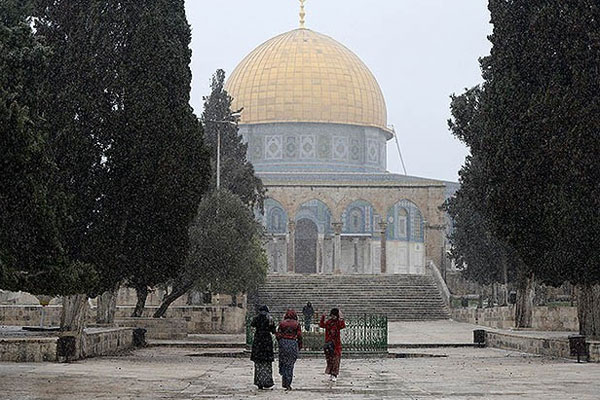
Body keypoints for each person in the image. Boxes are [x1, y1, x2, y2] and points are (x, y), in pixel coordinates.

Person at [250, 305, 276, 389]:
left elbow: (252, 326)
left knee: (258, 363)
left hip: (258, 341)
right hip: (266, 341)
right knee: (267, 363)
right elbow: (273, 330)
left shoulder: (256, 318)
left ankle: (259, 382)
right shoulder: (269, 319)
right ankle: (267, 381)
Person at [276, 309, 302, 391]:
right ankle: (288, 383)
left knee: (284, 362)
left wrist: (280, 341)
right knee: (290, 364)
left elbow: (278, 334)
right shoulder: (296, 324)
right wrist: (299, 345)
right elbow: (299, 335)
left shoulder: (282, 323)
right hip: (292, 343)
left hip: (283, 343)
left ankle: (284, 380)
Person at [319, 308, 346, 382]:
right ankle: (331, 373)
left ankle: (334, 374)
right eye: (332, 315)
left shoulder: (338, 322)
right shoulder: (329, 322)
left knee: (336, 359)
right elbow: (321, 325)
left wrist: (341, 317)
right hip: (328, 343)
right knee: (330, 359)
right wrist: (323, 317)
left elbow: (343, 325)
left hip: (336, 344)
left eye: (335, 316)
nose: (333, 317)